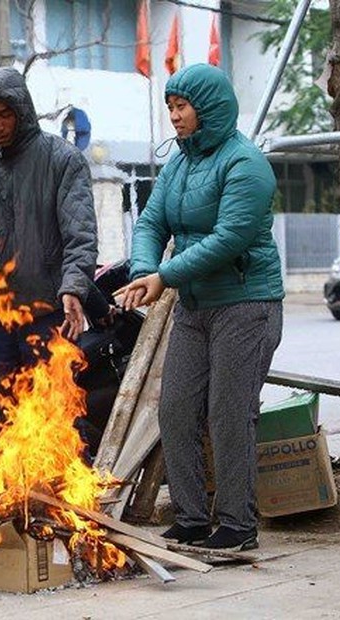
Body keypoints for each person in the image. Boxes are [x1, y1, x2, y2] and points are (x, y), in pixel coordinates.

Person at [115, 64, 284, 552]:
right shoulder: (179, 164)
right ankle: (191, 518)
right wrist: (143, 272)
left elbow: (229, 238)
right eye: (169, 106)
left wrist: (164, 276)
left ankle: (237, 525)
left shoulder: (245, 163)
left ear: (206, 108)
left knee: (229, 415)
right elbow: (150, 223)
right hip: (193, 306)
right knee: (176, 411)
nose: (174, 116)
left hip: (245, 304)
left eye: (181, 106)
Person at [0, 67, 99, 422]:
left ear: (22, 111)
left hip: (48, 315)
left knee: (56, 421)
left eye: (4, 115)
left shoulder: (63, 160)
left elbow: (81, 235)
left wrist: (74, 287)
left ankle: (67, 482)